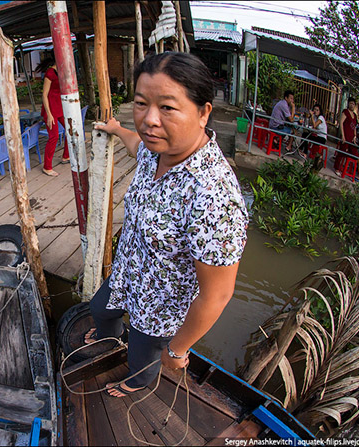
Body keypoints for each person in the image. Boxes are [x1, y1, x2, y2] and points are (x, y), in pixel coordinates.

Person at [85, 52, 248, 397]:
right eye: (142, 103)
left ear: (203, 112)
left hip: (160, 307)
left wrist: (178, 349)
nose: (149, 120)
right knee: (99, 308)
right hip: (127, 274)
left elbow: (217, 294)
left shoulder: (215, 198)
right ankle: (108, 334)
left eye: (168, 108)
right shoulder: (155, 148)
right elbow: (135, 144)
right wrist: (117, 129)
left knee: (142, 357)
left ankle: (137, 381)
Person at [39, 56, 69, 177]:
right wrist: (49, 115)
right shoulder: (50, 73)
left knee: (70, 130)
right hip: (50, 109)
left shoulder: (62, 72)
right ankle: (47, 167)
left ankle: (66, 156)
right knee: (54, 136)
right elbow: (44, 95)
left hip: (59, 108)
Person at [334, 97, 358, 176]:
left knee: (354, 153)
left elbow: (354, 127)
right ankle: (337, 168)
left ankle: (345, 167)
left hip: (351, 138)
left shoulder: (354, 115)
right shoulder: (345, 112)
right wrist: (343, 136)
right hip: (345, 135)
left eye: (353, 104)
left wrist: (355, 136)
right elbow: (341, 123)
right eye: (351, 103)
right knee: (342, 151)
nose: (352, 105)